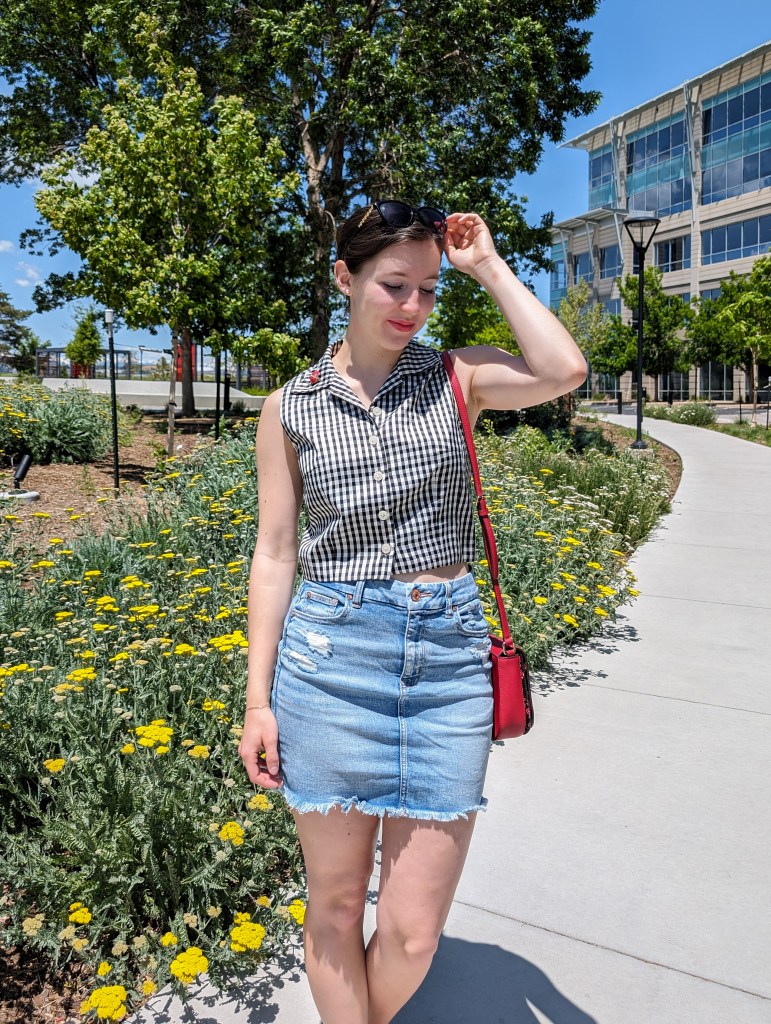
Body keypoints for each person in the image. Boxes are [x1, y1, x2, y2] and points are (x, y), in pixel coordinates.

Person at [239, 201, 586, 1023]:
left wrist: (488, 268)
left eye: (428, 290)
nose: (412, 307)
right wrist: (257, 700)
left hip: (449, 658)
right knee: (331, 908)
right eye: (395, 285)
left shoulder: (454, 377)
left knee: (411, 934)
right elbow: (274, 553)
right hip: (329, 660)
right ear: (344, 278)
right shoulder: (289, 407)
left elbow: (562, 369)